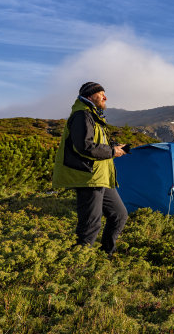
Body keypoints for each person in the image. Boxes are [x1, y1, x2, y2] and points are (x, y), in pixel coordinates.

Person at [52, 82, 128, 255]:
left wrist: (115, 147)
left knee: (119, 215)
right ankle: (76, 265)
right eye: (101, 93)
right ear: (89, 96)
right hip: (88, 177)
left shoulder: (93, 115)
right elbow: (85, 146)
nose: (105, 97)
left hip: (101, 176)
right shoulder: (82, 115)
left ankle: (106, 253)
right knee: (90, 225)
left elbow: (96, 142)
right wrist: (111, 151)